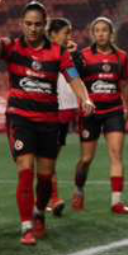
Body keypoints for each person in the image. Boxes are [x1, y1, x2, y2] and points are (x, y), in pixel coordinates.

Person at [0, 0, 94, 246]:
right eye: (28, 24)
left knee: (45, 176)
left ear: (45, 25)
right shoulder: (12, 47)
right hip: (20, 118)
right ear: (22, 24)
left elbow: (73, 77)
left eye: (38, 24)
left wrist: (85, 98)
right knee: (25, 169)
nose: (32, 29)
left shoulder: (58, 52)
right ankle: (26, 226)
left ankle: (39, 211)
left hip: (48, 121)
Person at [71, 16, 128, 214]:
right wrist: (82, 101)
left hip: (114, 111)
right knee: (86, 158)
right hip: (91, 113)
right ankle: (79, 190)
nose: (101, 34)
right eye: (97, 30)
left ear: (111, 33)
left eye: (104, 30)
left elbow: (124, 84)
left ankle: (116, 201)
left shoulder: (121, 56)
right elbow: (75, 80)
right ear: (92, 34)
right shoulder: (83, 56)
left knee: (116, 154)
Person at [48, 18, 79, 216]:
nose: (69, 37)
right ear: (52, 34)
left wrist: (72, 55)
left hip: (65, 110)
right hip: (49, 108)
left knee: (49, 158)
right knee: (47, 158)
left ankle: (50, 197)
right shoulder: (45, 53)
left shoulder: (67, 55)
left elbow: (75, 76)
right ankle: (53, 198)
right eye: (66, 33)